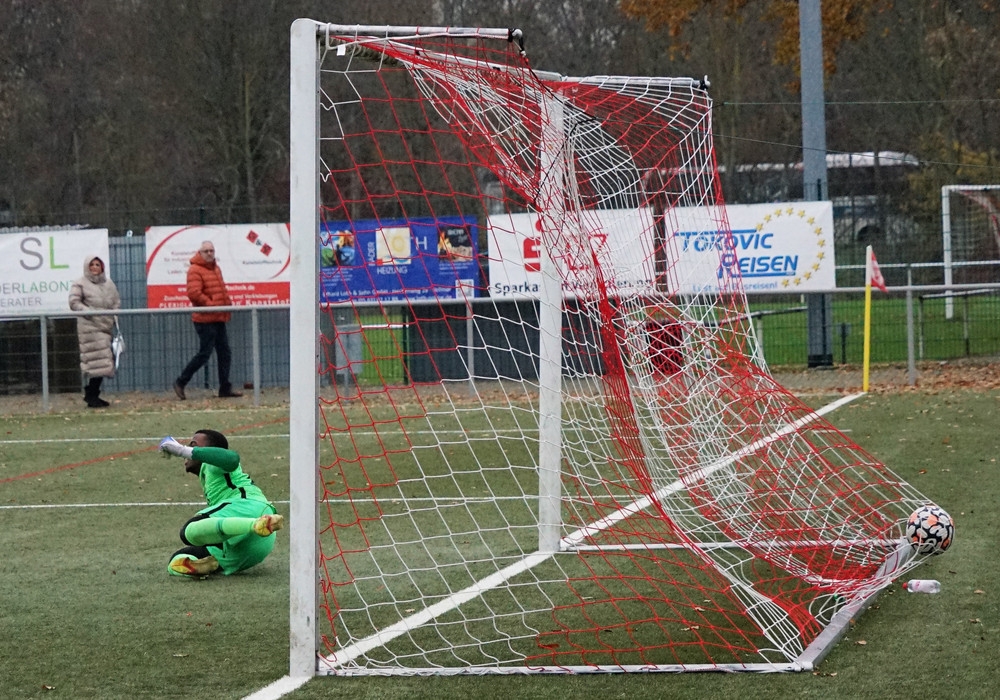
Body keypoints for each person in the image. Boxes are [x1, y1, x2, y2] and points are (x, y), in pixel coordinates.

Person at [158, 429, 283, 578]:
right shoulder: (210, 477)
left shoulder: (214, 465)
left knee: (188, 531)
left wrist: (182, 450)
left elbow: (232, 458)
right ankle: (199, 566)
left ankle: (256, 524)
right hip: (251, 548)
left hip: (248, 508)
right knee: (178, 559)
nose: (190, 449)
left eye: (194, 445)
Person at [173, 241, 243, 399]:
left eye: (212, 250)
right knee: (205, 353)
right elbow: (193, 293)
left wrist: (226, 304)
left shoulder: (215, 268)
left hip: (218, 316)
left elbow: (220, 289)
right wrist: (211, 304)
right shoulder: (195, 270)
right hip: (205, 318)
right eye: (206, 251)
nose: (210, 253)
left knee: (224, 353)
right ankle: (180, 382)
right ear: (200, 253)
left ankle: (224, 388)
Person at [68, 255, 121, 408]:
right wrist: (89, 312)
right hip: (90, 327)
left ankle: (92, 394)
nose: (95, 267)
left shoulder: (109, 284)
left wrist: (114, 315)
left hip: (106, 325)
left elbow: (116, 301)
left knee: (102, 361)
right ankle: (92, 394)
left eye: (98, 264)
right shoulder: (80, 283)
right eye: (92, 264)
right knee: (98, 361)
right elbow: (74, 302)